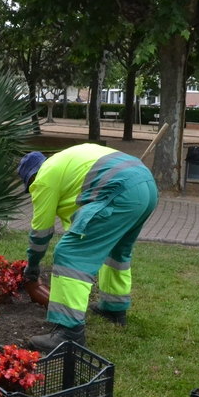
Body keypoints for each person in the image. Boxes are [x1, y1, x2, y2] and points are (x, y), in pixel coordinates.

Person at [18, 143, 158, 353]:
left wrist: (32, 267)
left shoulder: (43, 178)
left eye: (30, 189)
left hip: (120, 189)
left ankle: (68, 333)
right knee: (116, 251)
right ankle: (114, 308)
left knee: (69, 253)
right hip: (146, 185)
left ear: (31, 179)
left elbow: (41, 232)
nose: (33, 193)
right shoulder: (65, 164)